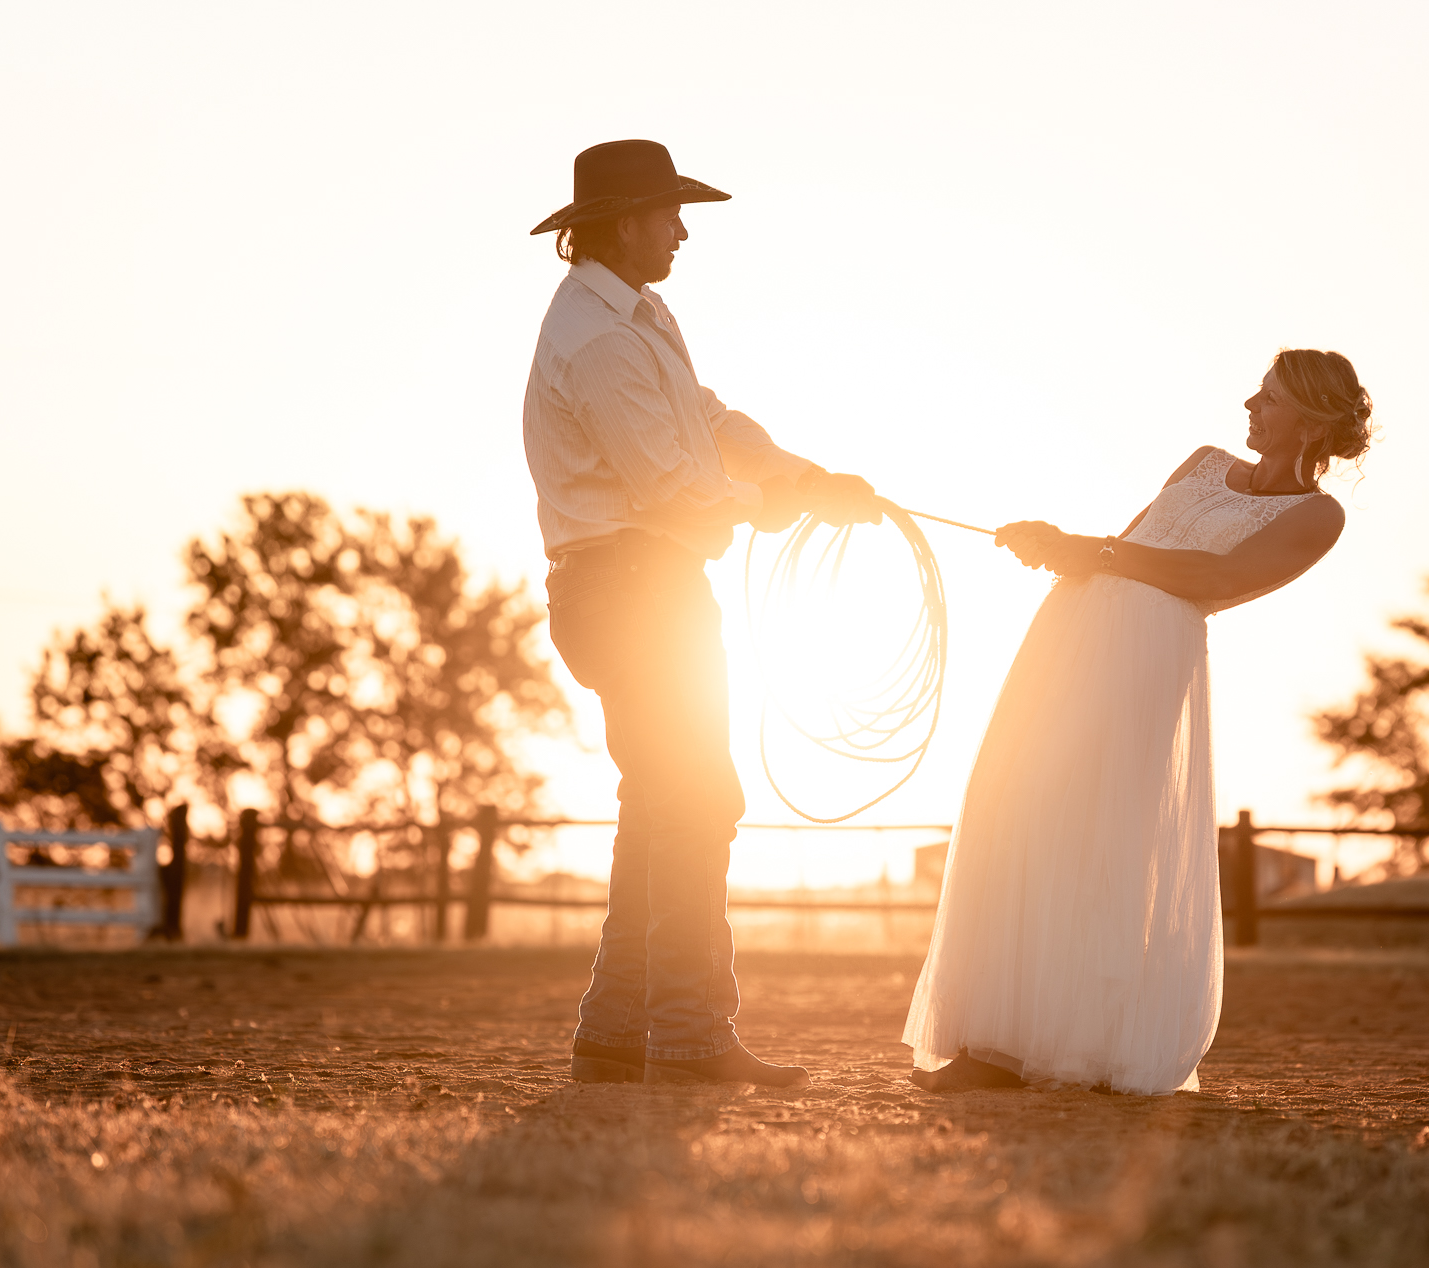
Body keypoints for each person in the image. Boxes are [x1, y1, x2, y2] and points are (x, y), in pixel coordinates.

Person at [901, 349, 1372, 1095]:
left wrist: (1091, 550)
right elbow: (1126, 550)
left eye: (1270, 397)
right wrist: (1055, 548)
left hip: (1149, 658)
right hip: (1073, 631)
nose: (1249, 403)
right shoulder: (1200, 462)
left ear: (1312, 423)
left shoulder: (1318, 515)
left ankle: (1074, 1043)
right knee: (1016, 809)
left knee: (1097, 834)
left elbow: (1214, 579)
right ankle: (991, 1038)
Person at [523, 140, 877, 1089]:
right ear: (622, 221)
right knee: (695, 800)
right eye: (667, 213)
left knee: (664, 803)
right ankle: (686, 1034)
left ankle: (617, 1028)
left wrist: (804, 475)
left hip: (638, 584)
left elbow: (706, 422)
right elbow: (675, 487)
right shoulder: (601, 339)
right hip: (634, 584)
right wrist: (776, 503)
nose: (681, 228)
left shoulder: (633, 318)